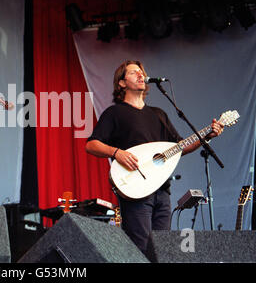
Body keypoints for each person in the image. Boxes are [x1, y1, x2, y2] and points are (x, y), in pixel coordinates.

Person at [85, 60, 224, 259]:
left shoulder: (158, 114)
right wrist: (118, 153)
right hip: (135, 190)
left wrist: (207, 135)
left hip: (161, 190)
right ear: (122, 83)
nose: (141, 75)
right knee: (139, 248)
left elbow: (180, 148)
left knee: (163, 251)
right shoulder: (115, 113)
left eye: (142, 72)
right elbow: (91, 145)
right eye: (134, 73)